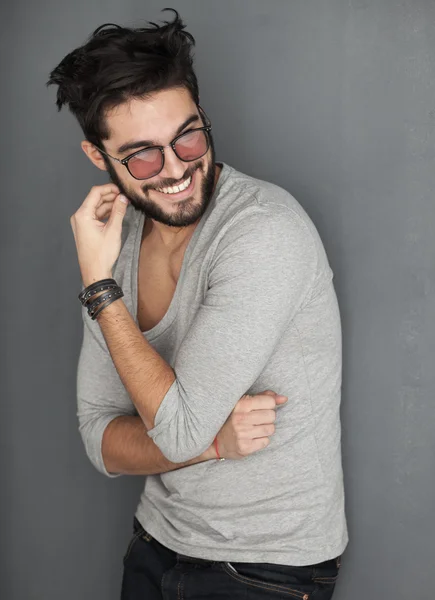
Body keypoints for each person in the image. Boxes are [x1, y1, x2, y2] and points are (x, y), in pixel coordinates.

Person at [47, 8, 348, 600]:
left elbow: (176, 433)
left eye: (188, 135)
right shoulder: (120, 240)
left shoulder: (263, 231)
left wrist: (98, 288)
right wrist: (212, 444)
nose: (178, 167)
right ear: (97, 157)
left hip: (266, 570)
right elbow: (99, 436)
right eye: (142, 156)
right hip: (157, 543)